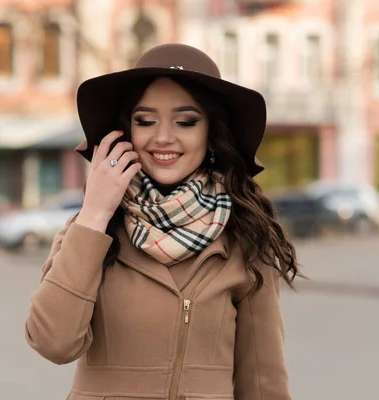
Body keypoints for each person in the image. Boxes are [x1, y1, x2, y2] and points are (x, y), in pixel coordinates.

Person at [25, 43, 299, 400]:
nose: (163, 137)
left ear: (210, 133)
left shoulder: (245, 239)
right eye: (145, 120)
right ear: (127, 132)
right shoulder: (89, 230)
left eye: (186, 121)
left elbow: (264, 383)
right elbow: (53, 343)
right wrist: (94, 213)